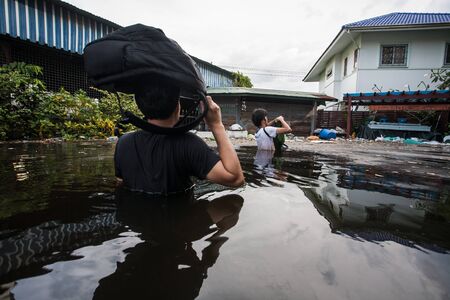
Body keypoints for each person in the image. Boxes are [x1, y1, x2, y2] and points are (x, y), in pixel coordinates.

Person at [114, 81, 245, 195]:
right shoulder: (189, 144)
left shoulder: (123, 142)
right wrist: (217, 125)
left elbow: (120, 184)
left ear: (140, 106)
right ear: (178, 106)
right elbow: (236, 179)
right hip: (179, 220)